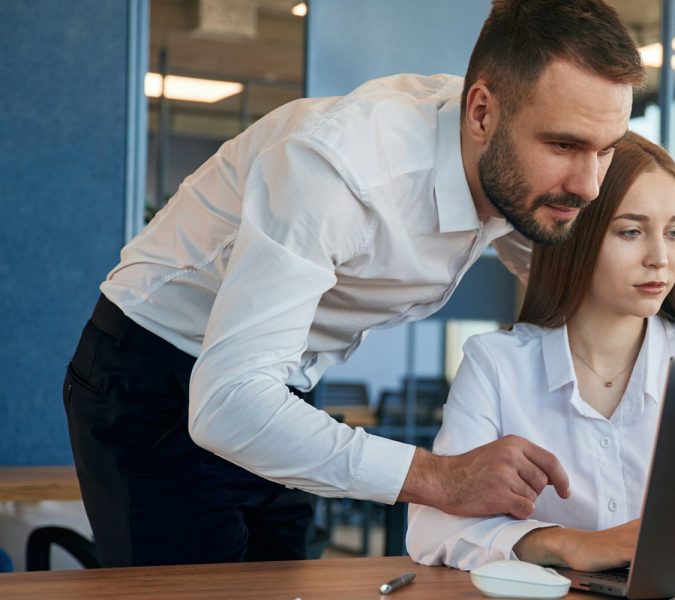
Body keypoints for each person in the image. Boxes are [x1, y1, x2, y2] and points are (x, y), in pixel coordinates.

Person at [62, 0, 643, 567]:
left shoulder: (519, 162)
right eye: (564, 145)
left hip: (282, 381)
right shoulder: (342, 172)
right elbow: (226, 404)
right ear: (482, 114)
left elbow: (567, 285)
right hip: (157, 370)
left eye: (606, 150)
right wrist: (439, 477)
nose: (589, 185)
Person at [406, 132, 675, 571]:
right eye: (631, 231)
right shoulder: (497, 365)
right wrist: (567, 544)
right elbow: (434, 530)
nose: (660, 257)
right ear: (573, 235)